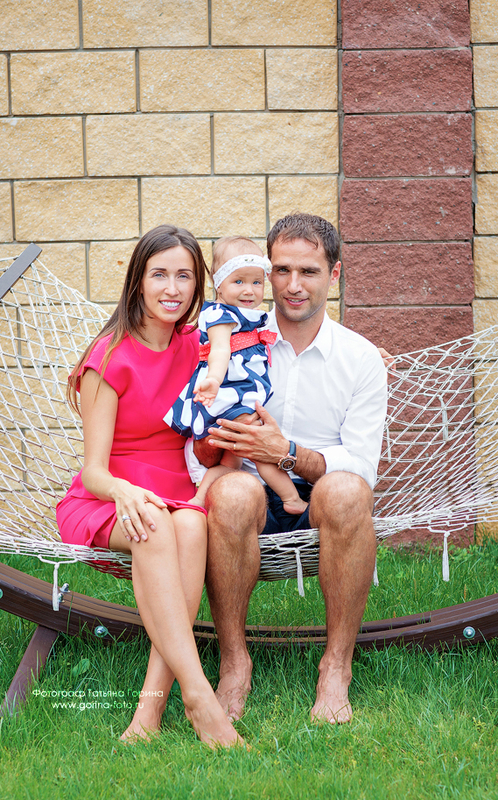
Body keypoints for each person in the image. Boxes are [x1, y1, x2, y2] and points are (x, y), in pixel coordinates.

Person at [196, 213, 389, 725]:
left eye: (309, 271)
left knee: (347, 490)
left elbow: (361, 465)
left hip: (324, 497)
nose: (293, 285)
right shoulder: (234, 344)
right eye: (281, 270)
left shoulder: (361, 359)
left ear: (335, 274)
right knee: (230, 494)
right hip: (250, 493)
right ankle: (234, 662)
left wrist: (286, 451)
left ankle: (336, 667)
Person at [56, 225, 243, 748]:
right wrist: (124, 492)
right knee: (155, 524)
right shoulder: (109, 356)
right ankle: (199, 698)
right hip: (107, 496)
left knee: (191, 526)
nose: (173, 289)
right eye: (160, 274)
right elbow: (94, 470)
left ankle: (149, 714)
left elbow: (261, 339)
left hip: (179, 491)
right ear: (138, 279)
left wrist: (372, 354)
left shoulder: (201, 348)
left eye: (185, 276)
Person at [165, 235, 306, 514]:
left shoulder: (250, 316)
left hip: (240, 395)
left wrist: (366, 351)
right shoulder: (221, 315)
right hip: (228, 395)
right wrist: (214, 380)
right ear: (219, 284)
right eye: (238, 281)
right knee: (257, 443)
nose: (249, 290)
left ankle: (199, 498)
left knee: (233, 463)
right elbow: (219, 350)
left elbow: (297, 335)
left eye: (256, 282)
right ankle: (291, 498)